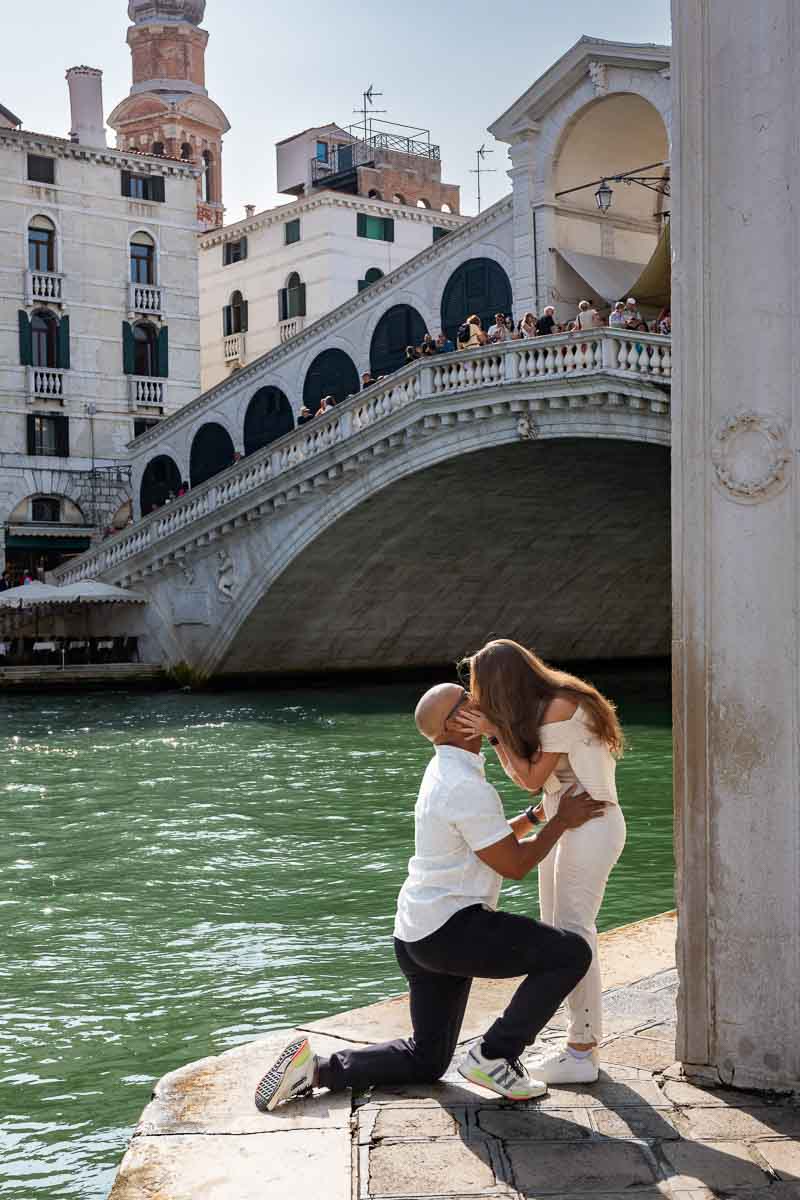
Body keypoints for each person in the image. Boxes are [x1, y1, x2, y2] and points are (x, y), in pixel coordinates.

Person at [254, 681, 605, 1113]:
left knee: (427, 1059)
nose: (480, 698)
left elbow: (486, 843)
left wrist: (534, 816)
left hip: (417, 936)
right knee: (570, 954)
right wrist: (561, 820)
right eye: (468, 699)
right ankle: (496, 1055)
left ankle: (317, 1069)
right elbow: (513, 866)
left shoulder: (444, 770)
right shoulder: (465, 786)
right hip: (452, 931)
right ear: (456, 724)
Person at [455, 640, 627, 1085]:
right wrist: (500, 737)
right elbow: (528, 779)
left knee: (574, 932)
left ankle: (583, 1049)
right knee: (559, 934)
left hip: (590, 823)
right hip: (568, 820)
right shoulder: (544, 706)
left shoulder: (559, 707)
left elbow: (529, 779)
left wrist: (494, 735)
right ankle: (578, 1041)